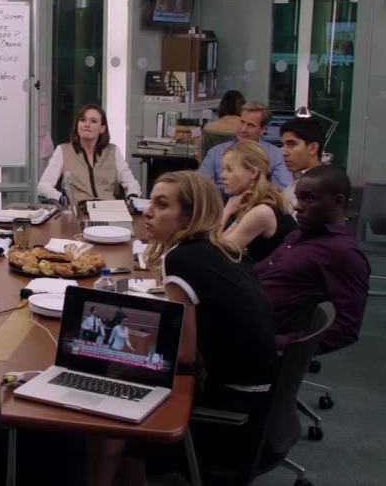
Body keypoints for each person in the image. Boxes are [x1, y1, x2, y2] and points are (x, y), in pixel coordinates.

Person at [88, 171, 277, 486]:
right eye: (151, 202)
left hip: (231, 410)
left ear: (190, 216)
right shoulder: (221, 249)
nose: (148, 212)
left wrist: (113, 342)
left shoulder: (180, 260)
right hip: (260, 401)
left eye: (162, 205)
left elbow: (184, 353)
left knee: (109, 398)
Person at [256, 165, 370, 354]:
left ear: (338, 202)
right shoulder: (298, 236)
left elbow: (346, 329)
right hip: (238, 319)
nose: (298, 206)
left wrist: (277, 343)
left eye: (309, 198)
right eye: (298, 197)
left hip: (253, 343)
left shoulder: (343, 252)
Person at [37, 103, 141, 202]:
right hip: (78, 210)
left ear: (102, 128)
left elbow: (132, 183)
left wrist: (132, 198)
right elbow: (43, 186)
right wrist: (62, 198)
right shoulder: (63, 150)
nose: (87, 124)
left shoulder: (113, 151)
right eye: (83, 120)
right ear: (77, 125)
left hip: (109, 209)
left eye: (93, 121)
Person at [220, 140, 297, 262]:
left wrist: (227, 211)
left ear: (253, 173)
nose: (222, 175)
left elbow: (216, 253)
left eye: (229, 169)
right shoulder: (254, 203)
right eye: (223, 169)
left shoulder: (262, 211)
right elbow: (217, 243)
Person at [198, 101, 293, 194]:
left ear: (262, 130)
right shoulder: (216, 152)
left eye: (250, 125)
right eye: (242, 122)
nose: (243, 129)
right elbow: (200, 186)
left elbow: (284, 191)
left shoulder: (276, 155)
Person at [279, 117, 325, 211]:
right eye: (283, 145)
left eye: (291, 144)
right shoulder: (294, 183)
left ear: (313, 148)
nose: (284, 152)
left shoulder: (324, 186)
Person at [199, 90, 245, 158]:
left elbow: (201, 154)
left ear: (222, 106)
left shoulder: (208, 127)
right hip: (238, 162)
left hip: (213, 163)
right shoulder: (245, 128)